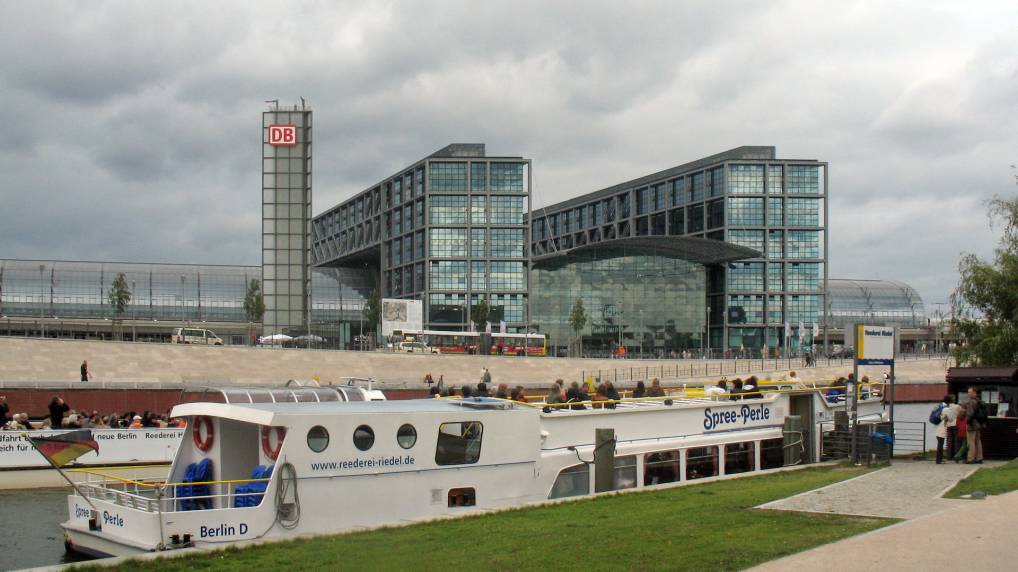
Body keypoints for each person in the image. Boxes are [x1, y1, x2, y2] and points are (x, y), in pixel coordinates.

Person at [964, 387, 985, 464]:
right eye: (968, 392)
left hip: (972, 424)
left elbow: (970, 414)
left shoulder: (971, 402)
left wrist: (967, 422)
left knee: (971, 442)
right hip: (979, 424)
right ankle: (979, 458)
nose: (968, 393)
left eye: (970, 392)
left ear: (974, 392)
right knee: (978, 441)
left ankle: (970, 458)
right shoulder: (980, 401)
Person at [935, 395, 951, 464]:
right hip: (942, 427)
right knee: (940, 444)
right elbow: (950, 419)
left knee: (939, 443)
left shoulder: (939, 406)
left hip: (937, 426)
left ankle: (939, 459)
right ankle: (939, 460)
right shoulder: (946, 409)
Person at [944, 395, 960, 460]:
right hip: (955, 424)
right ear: (953, 400)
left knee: (949, 441)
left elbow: (945, 417)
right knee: (956, 441)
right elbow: (960, 414)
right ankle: (955, 455)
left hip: (948, 425)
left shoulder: (946, 407)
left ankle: (949, 456)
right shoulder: (957, 406)